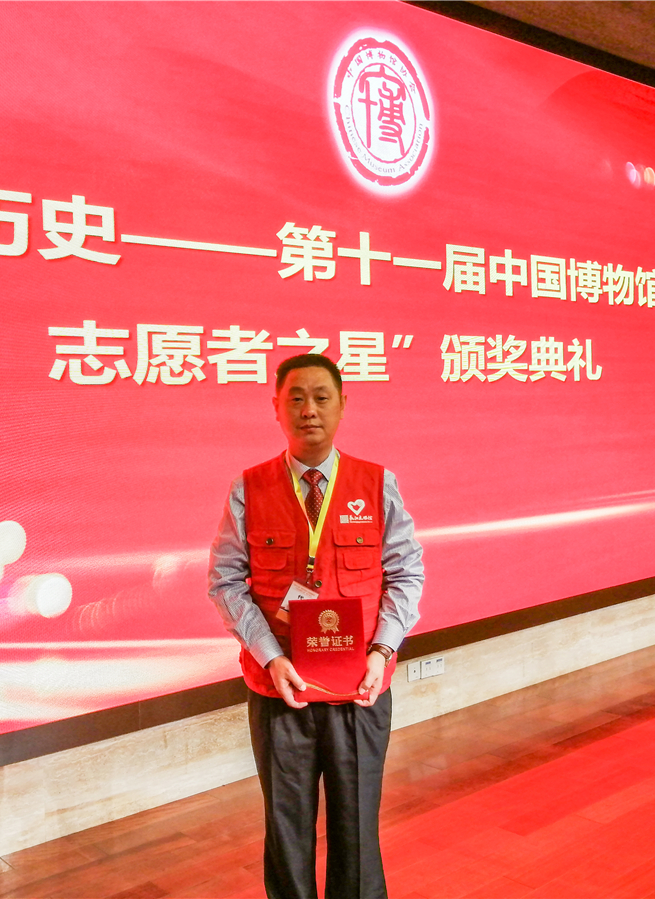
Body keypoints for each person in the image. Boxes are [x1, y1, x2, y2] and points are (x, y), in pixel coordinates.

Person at [208, 353, 424, 899]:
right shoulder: (249, 488)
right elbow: (226, 582)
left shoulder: (377, 483)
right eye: (296, 399)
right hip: (280, 690)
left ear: (342, 405)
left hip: (360, 692)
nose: (309, 410)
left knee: (357, 829)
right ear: (276, 408)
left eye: (322, 398)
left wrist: (381, 651)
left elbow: (406, 572)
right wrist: (270, 656)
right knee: (286, 828)